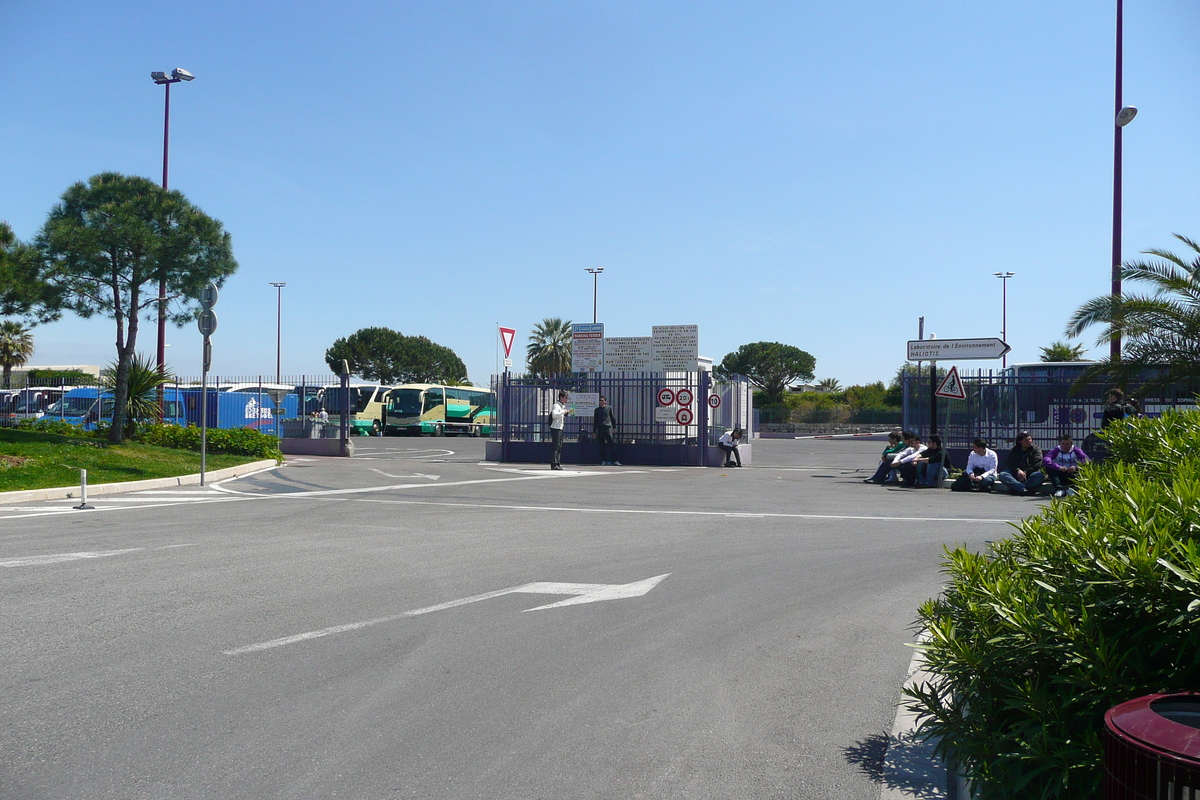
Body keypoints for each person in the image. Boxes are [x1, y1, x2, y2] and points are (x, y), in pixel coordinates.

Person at [997, 431, 1045, 496]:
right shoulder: (1014, 450)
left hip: (1030, 474)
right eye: (1026, 440)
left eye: (1030, 439)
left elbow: (1037, 464)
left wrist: (1025, 472)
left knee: (1039, 476)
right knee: (1003, 475)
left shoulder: (1036, 449)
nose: (1029, 441)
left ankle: (1018, 488)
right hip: (1016, 474)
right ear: (1020, 441)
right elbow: (1010, 464)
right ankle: (1023, 488)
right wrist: (1018, 470)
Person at [593, 395, 620, 466]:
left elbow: (612, 418)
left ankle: (615, 460)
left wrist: (614, 427)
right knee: (601, 445)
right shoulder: (597, 410)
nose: (601, 402)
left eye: (602, 400)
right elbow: (595, 421)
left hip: (607, 428)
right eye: (600, 401)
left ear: (605, 401)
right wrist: (594, 431)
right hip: (600, 428)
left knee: (611, 445)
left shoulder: (609, 408)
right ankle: (603, 460)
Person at [548, 391, 572, 470]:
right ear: (561, 397)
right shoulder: (556, 405)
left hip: (560, 428)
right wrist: (563, 411)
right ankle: (554, 464)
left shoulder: (562, 406)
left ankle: (558, 463)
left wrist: (567, 412)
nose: (566, 399)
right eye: (565, 398)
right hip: (555, 428)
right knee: (556, 446)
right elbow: (554, 415)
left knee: (559, 446)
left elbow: (562, 415)